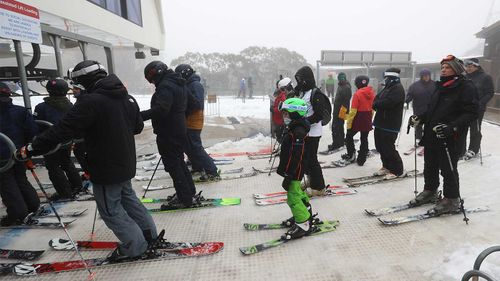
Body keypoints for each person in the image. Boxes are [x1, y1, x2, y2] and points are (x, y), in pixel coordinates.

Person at [16, 60, 158, 261]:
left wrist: (31, 148)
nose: (76, 90)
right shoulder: (127, 98)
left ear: (87, 80)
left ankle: (135, 247)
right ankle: (149, 237)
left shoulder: (91, 101)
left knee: (111, 211)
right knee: (130, 201)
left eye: (78, 84)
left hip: (106, 166)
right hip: (124, 162)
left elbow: (62, 129)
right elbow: (136, 127)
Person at [408, 55, 478, 214]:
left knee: (448, 169)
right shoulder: (441, 86)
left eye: (448, 67)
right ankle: (430, 190)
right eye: (442, 67)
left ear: (457, 69)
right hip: (433, 135)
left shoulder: (466, 87)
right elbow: (432, 110)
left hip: (451, 137)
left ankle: (452, 200)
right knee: (430, 165)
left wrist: (452, 127)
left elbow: (471, 113)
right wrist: (420, 117)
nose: (444, 70)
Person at [142, 61, 199, 208]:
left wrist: (139, 116)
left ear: (156, 73)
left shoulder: (166, 86)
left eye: (152, 79)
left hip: (168, 131)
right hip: (179, 129)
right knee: (179, 162)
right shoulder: (178, 82)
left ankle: (185, 198)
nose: (153, 83)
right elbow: (193, 104)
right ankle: (189, 193)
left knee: (174, 165)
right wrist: (180, 115)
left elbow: (161, 109)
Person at [34, 79, 82, 200]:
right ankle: (77, 186)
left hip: (50, 142)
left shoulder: (41, 107)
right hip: (66, 141)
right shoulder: (70, 105)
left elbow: (37, 126)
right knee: (66, 162)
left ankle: (64, 193)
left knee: (53, 166)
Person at [0, 82, 40, 226]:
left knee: (6, 184)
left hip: (2, 157)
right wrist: (26, 150)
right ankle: (33, 205)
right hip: (18, 152)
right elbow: (32, 131)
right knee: (20, 178)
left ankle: (18, 214)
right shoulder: (21, 111)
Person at [277, 98, 316, 239]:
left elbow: (296, 156)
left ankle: (303, 224)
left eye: (286, 114)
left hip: (295, 170)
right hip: (296, 169)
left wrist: (289, 175)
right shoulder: (295, 128)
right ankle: (305, 212)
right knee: (297, 191)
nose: (284, 117)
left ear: (295, 114)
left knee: (292, 197)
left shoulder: (297, 131)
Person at [174, 64, 219, 182]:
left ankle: (212, 170)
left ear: (185, 73)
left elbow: (196, 104)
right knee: (189, 147)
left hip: (194, 120)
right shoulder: (189, 84)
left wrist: (184, 111)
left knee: (196, 147)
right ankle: (197, 166)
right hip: (188, 120)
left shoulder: (195, 85)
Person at [293, 66, 326, 196]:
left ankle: (319, 187)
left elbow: (319, 115)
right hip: (304, 132)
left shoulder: (316, 93)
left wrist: (305, 122)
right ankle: (311, 180)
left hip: (313, 133)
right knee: (305, 160)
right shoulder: (303, 92)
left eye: (300, 79)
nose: (299, 82)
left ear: (306, 79)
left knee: (312, 160)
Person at [372, 67, 405, 179]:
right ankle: (386, 166)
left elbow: (389, 103)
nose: (384, 80)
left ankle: (397, 170)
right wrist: (377, 103)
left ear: (391, 78)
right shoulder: (386, 88)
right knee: (380, 147)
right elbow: (376, 99)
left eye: (386, 78)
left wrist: (377, 104)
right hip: (380, 123)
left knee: (388, 147)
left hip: (390, 124)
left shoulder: (398, 89)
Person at [459, 58, 494, 160]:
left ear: (476, 66)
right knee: (462, 129)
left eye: (470, 66)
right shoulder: (464, 77)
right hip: (464, 108)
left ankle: (473, 149)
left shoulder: (485, 77)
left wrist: (480, 103)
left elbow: (489, 93)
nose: (468, 68)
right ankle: (461, 150)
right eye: (467, 66)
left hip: (477, 109)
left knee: (475, 129)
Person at [342, 75, 375, 166]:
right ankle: (362, 159)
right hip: (367, 117)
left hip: (358, 117)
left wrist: (349, 124)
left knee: (349, 136)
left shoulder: (357, 94)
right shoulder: (372, 93)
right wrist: (370, 118)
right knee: (364, 138)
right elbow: (373, 108)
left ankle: (351, 154)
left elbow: (353, 111)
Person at [405, 69, 435, 143]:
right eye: (424, 76)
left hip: (431, 108)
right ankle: (418, 138)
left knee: (429, 124)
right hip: (419, 108)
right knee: (418, 124)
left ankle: (428, 138)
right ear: (421, 77)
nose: (426, 77)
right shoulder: (415, 85)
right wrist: (406, 101)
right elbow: (410, 95)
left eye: (428, 76)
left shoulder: (434, 84)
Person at [328, 72, 352, 151]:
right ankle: (339, 142)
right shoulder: (341, 86)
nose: (341, 80)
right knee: (338, 126)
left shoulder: (346, 87)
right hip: (338, 110)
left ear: (345, 78)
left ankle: (337, 143)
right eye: (340, 78)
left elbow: (345, 101)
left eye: (343, 78)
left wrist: (341, 112)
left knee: (336, 126)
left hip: (341, 110)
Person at [272, 77, 292, 142]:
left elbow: (282, 107)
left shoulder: (283, 96)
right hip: (278, 120)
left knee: (280, 137)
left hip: (281, 120)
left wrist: (273, 109)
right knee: (279, 136)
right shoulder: (279, 95)